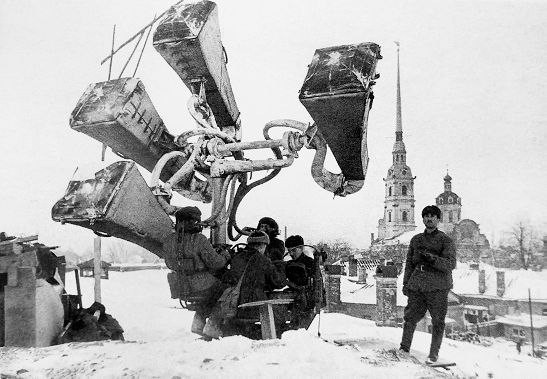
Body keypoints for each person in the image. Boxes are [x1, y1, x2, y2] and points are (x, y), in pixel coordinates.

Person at [399, 205, 457, 364]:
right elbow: (409, 264)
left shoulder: (445, 240)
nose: (429, 219)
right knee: (410, 318)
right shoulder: (416, 239)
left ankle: (433, 355)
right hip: (417, 285)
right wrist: (406, 284)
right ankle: (404, 348)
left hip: (437, 287)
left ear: (438, 219)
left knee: (438, 321)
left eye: (433, 216)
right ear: (423, 219)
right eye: (426, 216)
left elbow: (450, 264)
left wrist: (432, 259)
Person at [163, 206, 230, 337]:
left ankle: (198, 323)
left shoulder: (169, 240)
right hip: (201, 284)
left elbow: (169, 263)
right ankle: (213, 324)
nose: (199, 223)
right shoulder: (199, 239)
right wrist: (225, 256)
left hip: (181, 285)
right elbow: (216, 263)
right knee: (227, 290)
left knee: (209, 294)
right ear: (189, 222)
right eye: (196, 221)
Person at [213, 231, 287, 339]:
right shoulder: (263, 260)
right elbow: (278, 283)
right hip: (253, 306)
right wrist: (280, 265)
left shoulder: (237, 257)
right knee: (280, 307)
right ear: (263, 246)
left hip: (234, 305)